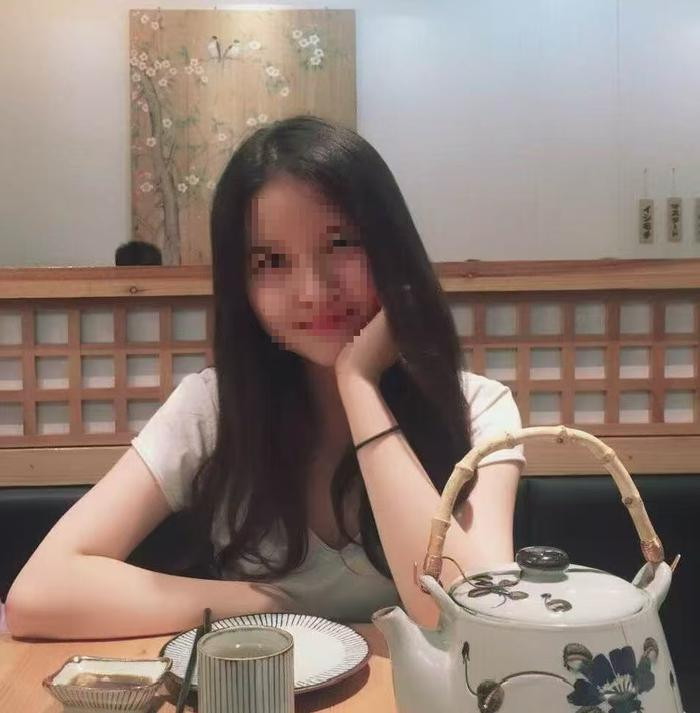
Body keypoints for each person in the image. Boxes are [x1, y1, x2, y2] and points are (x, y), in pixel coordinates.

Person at [6, 115, 524, 640]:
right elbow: (39, 594)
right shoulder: (214, 408)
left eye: (340, 243)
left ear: (391, 249)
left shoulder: (479, 410)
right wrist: (264, 603)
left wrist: (359, 385)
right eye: (271, 261)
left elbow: (468, 618)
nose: (312, 291)